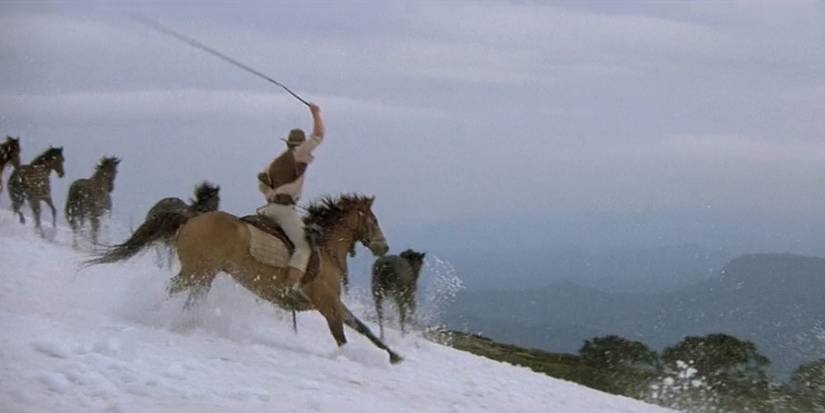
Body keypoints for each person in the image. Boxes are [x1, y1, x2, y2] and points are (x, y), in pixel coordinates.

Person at [257, 102, 325, 292]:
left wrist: (271, 194)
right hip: (284, 211)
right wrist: (316, 113)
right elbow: (319, 135)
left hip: (269, 208)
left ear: (286, 143)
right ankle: (290, 288)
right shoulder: (299, 154)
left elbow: (262, 184)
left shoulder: (274, 162)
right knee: (304, 247)